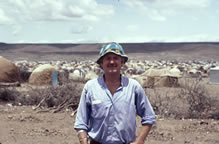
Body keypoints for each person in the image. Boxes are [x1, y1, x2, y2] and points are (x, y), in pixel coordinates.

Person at [74, 42, 156, 144]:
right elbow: (81, 121)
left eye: (116, 58)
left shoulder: (133, 87)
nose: (112, 62)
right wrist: (83, 140)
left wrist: (140, 141)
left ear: (122, 62)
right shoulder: (90, 87)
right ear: (101, 63)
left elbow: (149, 116)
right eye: (107, 58)